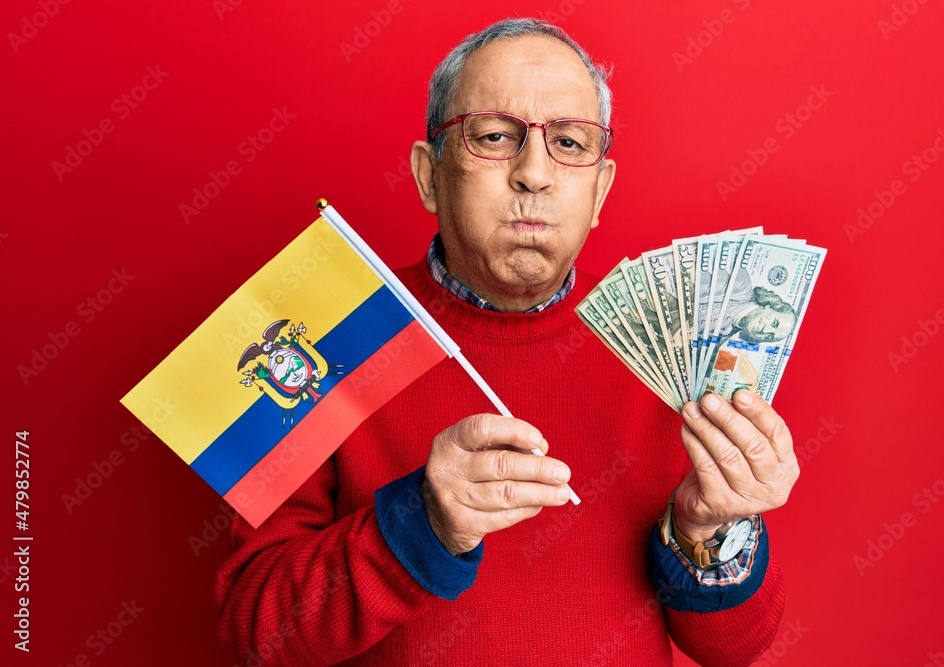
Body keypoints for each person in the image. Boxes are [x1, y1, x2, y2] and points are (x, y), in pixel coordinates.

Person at [215, 18, 798, 667]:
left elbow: (736, 647)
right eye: (495, 136)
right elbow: (257, 633)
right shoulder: (321, 340)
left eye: (570, 143)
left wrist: (710, 528)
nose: (534, 174)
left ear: (600, 188)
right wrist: (421, 523)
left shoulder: (671, 345)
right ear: (429, 173)